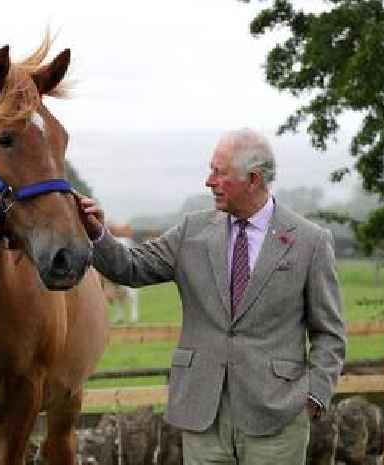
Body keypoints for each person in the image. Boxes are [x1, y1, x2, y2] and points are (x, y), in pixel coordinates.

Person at [78, 128, 346, 464]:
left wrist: (314, 396)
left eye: (219, 173)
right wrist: (98, 234)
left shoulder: (311, 241)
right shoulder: (192, 231)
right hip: (203, 416)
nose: (209, 181)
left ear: (253, 179)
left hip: (278, 419)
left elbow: (330, 333)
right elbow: (130, 267)